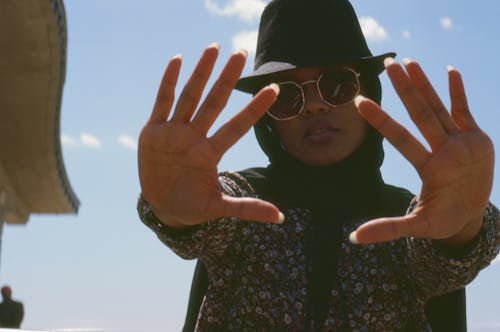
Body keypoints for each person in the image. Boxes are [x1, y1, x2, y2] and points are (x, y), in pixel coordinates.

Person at [137, 0, 499, 330]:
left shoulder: (410, 220)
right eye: (287, 96)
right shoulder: (240, 207)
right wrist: (174, 214)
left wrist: (462, 230)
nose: (313, 105)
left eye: (337, 84)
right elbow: (201, 222)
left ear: (368, 92)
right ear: (268, 119)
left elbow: (443, 260)